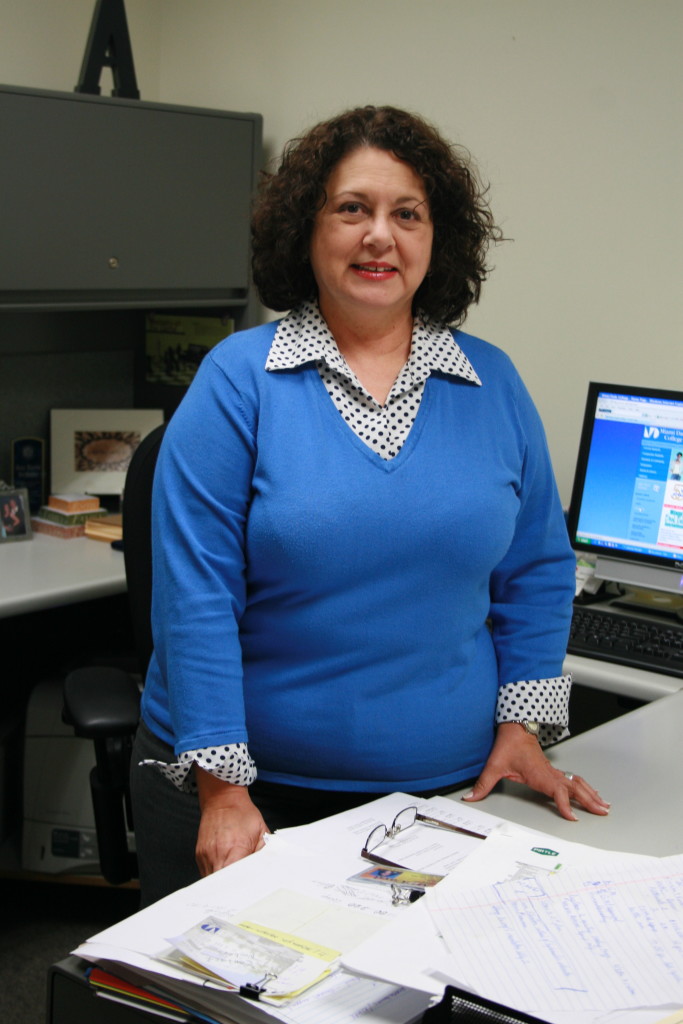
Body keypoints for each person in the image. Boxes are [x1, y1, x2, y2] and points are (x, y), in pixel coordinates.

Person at [130, 105, 609, 906]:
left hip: (448, 798)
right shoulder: (237, 379)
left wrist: (522, 728)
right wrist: (220, 789)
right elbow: (194, 595)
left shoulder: (492, 383)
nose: (378, 236)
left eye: (406, 214)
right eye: (351, 208)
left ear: (436, 239)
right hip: (251, 796)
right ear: (305, 230)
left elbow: (536, 568)